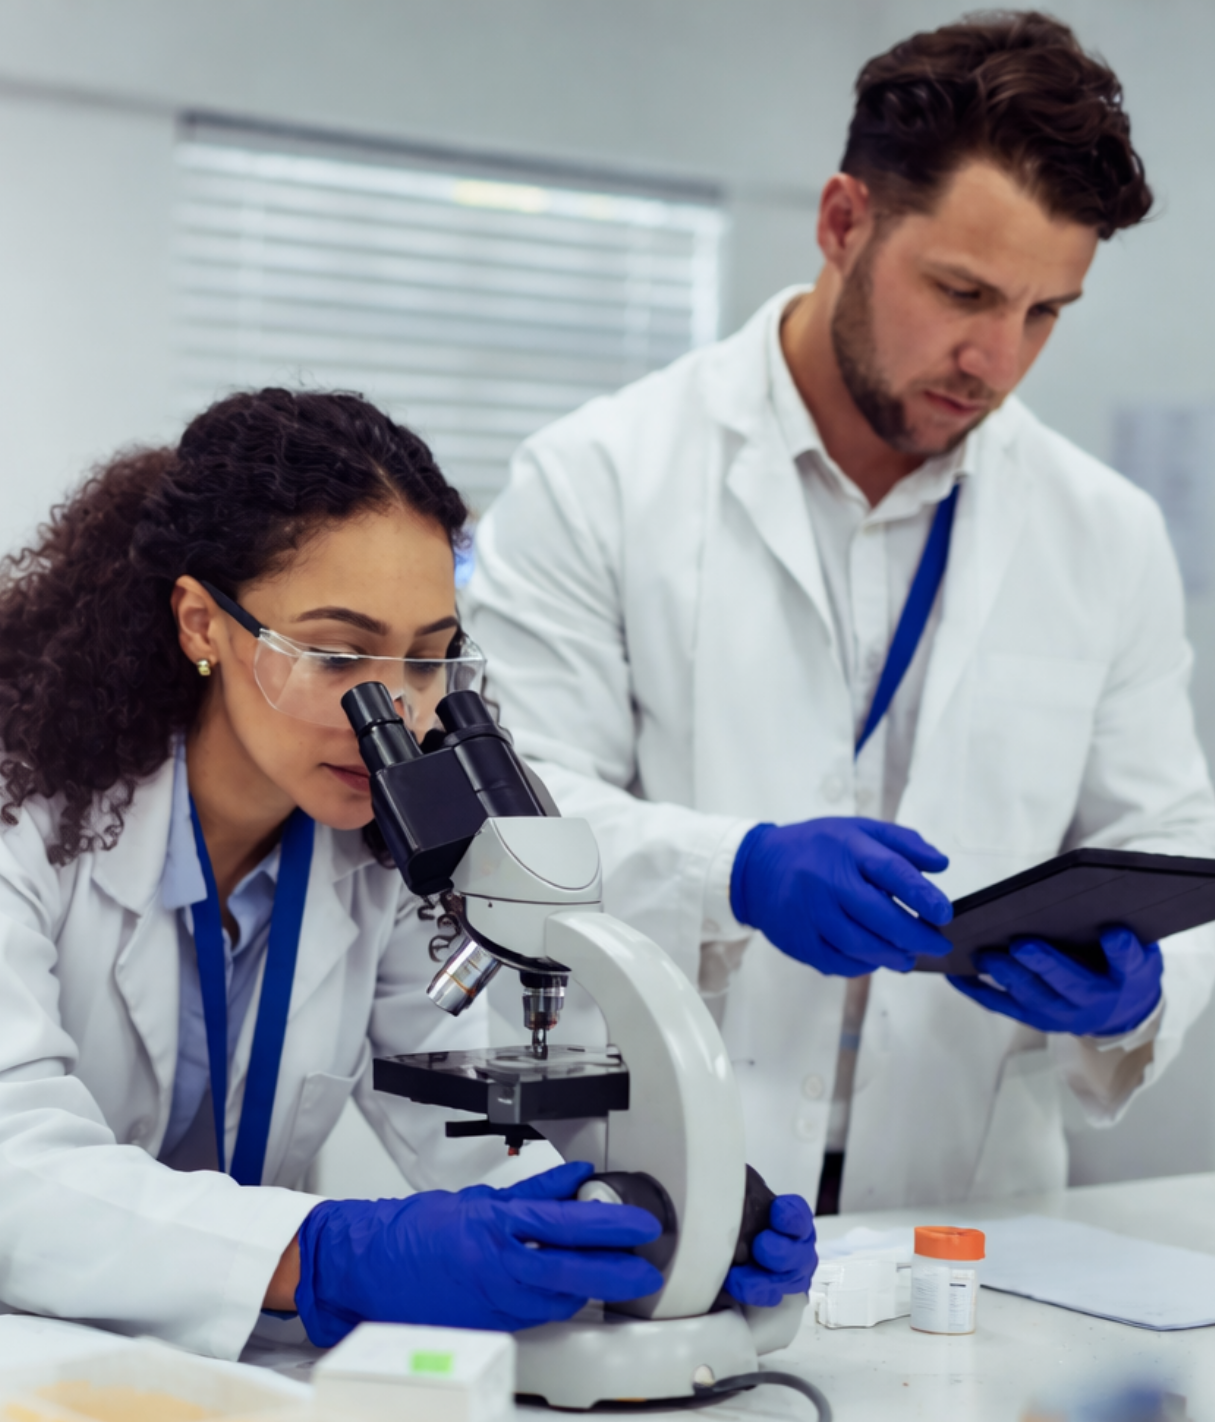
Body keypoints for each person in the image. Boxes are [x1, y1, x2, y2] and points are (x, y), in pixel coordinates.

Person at [0, 389, 815, 1349]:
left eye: (428, 658)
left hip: (33, 1352)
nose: (393, 709)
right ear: (201, 625)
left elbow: (463, 1127)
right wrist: (329, 1253)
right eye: (338, 655)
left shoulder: (369, 844)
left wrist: (659, 1209)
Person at [464, 12, 1215, 1216]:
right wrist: (738, 871)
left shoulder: (1105, 532)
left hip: (971, 1198)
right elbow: (516, 820)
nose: (996, 359)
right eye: (962, 291)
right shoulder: (599, 477)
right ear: (842, 222)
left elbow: (1168, 833)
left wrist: (1143, 987)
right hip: (664, 1169)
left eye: (1044, 312)